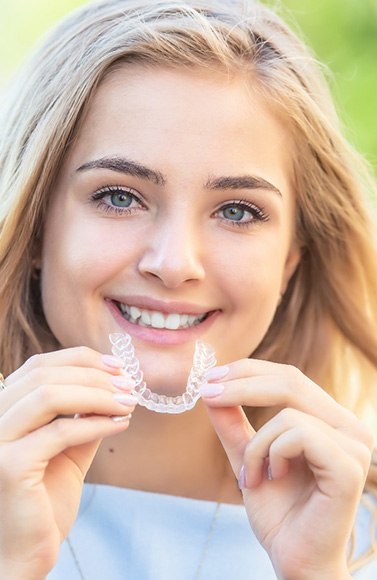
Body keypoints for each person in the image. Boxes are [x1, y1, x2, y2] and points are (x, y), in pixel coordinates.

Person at [0, 0, 376, 578]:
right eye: (118, 197)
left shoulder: (355, 541)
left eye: (236, 210)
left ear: (291, 262)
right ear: (34, 230)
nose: (174, 264)